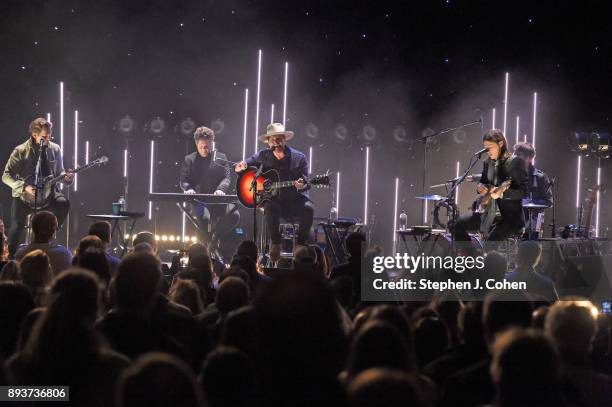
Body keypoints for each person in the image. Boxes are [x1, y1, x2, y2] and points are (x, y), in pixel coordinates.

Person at [235, 123, 314, 262]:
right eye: (272, 139)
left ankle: (300, 244)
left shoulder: (299, 157)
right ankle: (276, 243)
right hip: (275, 202)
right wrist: (241, 166)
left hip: (294, 200)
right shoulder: (262, 155)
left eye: (279, 139)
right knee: (270, 207)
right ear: (268, 142)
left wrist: (301, 186)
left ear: (285, 139)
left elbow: (307, 183)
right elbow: (246, 164)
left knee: (309, 207)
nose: (276, 142)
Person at [3, 118, 74, 257]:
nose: (48, 139)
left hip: (49, 193)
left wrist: (67, 179)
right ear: (34, 135)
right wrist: (24, 187)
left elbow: (60, 172)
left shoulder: (55, 149)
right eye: (44, 137)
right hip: (24, 196)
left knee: (63, 203)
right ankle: (11, 260)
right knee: (16, 228)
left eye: (49, 136)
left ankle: (49, 233)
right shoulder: (21, 151)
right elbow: (6, 176)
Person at [453, 129, 528, 242]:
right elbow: (483, 182)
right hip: (488, 214)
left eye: (490, 147)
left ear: (501, 144)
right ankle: (471, 257)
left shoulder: (516, 162)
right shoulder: (487, 162)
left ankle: (485, 257)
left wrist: (502, 193)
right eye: (486, 148)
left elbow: (523, 191)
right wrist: (481, 188)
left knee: (489, 246)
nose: (488, 151)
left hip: (509, 218)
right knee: (457, 226)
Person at [180, 126, 239, 250]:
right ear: (196, 144)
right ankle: (204, 249)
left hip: (218, 201)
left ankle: (214, 238)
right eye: (201, 147)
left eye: (207, 146)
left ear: (212, 143)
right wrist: (189, 189)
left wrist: (221, 189)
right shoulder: (189, 159)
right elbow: (183, 181)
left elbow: (227, 177)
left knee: (235, 216)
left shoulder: (221, 158)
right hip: (199, 201)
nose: (204, 149)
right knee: (204, 218)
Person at [513, 142, 553, 239]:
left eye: (519, 155)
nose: (515, 157)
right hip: (514, 216)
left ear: (529, 158)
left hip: (533, 218)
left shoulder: (540, 177)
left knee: (531, 229)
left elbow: (549, 201)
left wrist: (528, 202)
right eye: (515, 154)